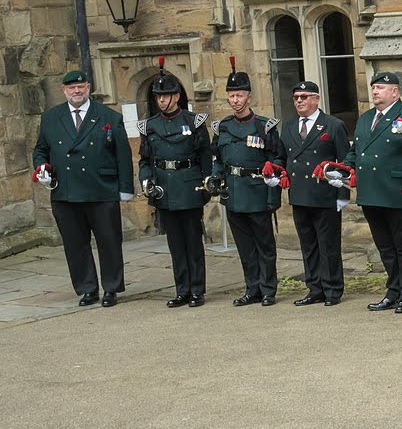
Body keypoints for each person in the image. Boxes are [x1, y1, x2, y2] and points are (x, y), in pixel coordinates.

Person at [31, 69, 134, 307]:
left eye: (81, 87)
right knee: (75, 244)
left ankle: (111, 287)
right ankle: (87, 288)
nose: (77, 91)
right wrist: (41, 167)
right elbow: (40, 150)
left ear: (88, 88)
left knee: (109, 241)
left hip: (101, 189)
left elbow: (123, 155)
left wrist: (125, 188)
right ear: (64, 90)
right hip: (65, 192)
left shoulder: (108, 116)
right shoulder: (51, 118)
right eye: (71, 88)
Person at [346, 71, 402, 314]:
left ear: (395, 91)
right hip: (371, 192)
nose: (375, 91)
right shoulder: (365, 120)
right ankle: (392, 291)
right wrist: (344, 169)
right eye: (373, 88)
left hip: (400, 192)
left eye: (381, 88)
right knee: (385, 247)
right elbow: (356, 152)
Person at [210, 62, 284, 307]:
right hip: (234, 194)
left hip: (258, 192)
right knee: (244, 248)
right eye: (231, 96)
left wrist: (273, 197)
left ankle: (268, 290)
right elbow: (217, 160)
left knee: (265, 246)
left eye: (239, 95)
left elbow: (277, 161)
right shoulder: (222, 128)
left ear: (249, 97)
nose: (235, 100)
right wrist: (215, 178)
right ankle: (252, 289)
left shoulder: (264, 126)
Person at [138, 71, 212, 307]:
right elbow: (145, 160)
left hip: (189, 186)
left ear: (177, 96)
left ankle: (197, 290)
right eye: (158, 96)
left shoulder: (193, 122)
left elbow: (205, 157)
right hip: (164, 189)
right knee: (175, 244)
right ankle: (182, 289)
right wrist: (146, 180)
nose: (161, 101)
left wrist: (207, 184)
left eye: (166, 96)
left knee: (192, 241)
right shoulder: (149, 126)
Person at [275, 81, 351, 306]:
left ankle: (332, 289)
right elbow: (282, 157)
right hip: (299, 194)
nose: (299, 100)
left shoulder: (332, 125)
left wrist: (342, 190)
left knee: (328, 245)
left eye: (305, 96)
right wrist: (277, 172)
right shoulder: (288, 126)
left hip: (325, 194)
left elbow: (345, 160)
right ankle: (314, 288)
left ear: (316, 99)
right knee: (308, 245)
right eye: (296, 97)